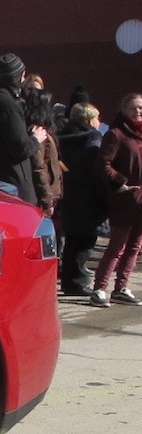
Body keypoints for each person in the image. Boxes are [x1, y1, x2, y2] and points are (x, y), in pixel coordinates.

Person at [0, 53, 47, 204]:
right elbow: (20, 148)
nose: (24, 80)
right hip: (11, 186)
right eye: (22, 75)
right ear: (16, 76)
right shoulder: (8, 105)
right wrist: (35, 139)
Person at [89, 93, 142, 307]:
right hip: (125, 199)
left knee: (134, 247)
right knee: (117, 246)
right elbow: (103, 165)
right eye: (134, 108)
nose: (138, 112)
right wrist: (121, 184)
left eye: (141, 108)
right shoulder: (116, 134)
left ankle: (121, 287)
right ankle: (100, 288)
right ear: (124, 110)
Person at [57, 102, 108, 295]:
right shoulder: (93, 138)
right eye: (97, 118)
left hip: (68, 193)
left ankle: (70, 281)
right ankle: (77, 281)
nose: (99, 122)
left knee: (71, 241)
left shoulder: (62, 137)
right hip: (89, 196)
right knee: (86, 241)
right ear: (88, 120)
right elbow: (97, 169)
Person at [23, 87, 63, 218]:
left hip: (51, 193)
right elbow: (38, 167)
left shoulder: (44, 131)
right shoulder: (38, 132)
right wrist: (46, 200)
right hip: (43, 197)